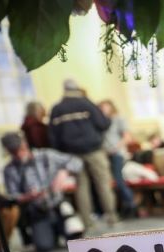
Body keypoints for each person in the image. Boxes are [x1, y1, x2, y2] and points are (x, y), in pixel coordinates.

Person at [49, 79, 116, 229]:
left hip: (72, 153)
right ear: (77, 88)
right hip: (94, 150)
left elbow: (53, 136)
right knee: (103, 183)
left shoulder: (57, 109)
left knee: (81, 187)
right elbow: (103, 123)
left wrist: (63, 154)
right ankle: (111, 217)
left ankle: (87, 222)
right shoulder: (86, 103)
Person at [1, 133, 83, 252]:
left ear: (25, 144)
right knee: (44, 246)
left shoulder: (46, 155)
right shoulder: (9, 169)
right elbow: (12, 196)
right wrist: (27, 197)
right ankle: (52, 233)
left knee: (76, 238)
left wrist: (64, 172)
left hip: (59, 204)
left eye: (21, 150)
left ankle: (64, 228)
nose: (19, 154)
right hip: (38, 210)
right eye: (14, 152)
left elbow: (76, 161)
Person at [98, 99, 136, 218]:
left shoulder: (118, 119)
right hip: (105, 155)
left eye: (105, 107)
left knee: (119, 182)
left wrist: (116, 147)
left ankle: (132, 204)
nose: (103, 109)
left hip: (117, 154)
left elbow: (127, 137)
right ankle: (122, 208)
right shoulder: (101, 122)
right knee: (111, 184)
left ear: (111, 107)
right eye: (101, 107)